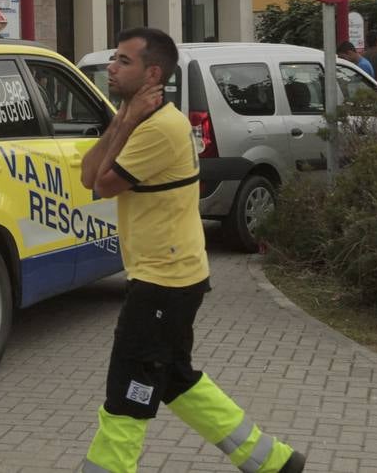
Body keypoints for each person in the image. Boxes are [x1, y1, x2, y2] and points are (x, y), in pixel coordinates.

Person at [79, 27, 305, 473]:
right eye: (114, 59)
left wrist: (124, 126)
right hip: (167, 276)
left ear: (153, 72)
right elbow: (89, 173)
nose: (111, 66)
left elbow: (102, 185)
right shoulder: (135, 121)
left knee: (130, 388)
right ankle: (273, 462)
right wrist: (121, 121)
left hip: (164, 281)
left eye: (124, 61)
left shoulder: (160, 128)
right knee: (175, 378)